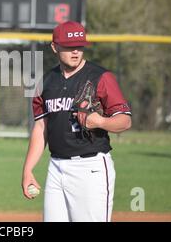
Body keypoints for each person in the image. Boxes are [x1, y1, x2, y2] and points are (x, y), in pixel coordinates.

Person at [22, 21, 132, 222]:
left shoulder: (100, 77)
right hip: (56, 167)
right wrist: (28, 169)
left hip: (90, 168)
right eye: (69, 47)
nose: (75, 52)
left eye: (79, 46)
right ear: (55, 47)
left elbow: (124, 121)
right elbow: (41, 127)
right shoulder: (45, 82)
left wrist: (99, 121)